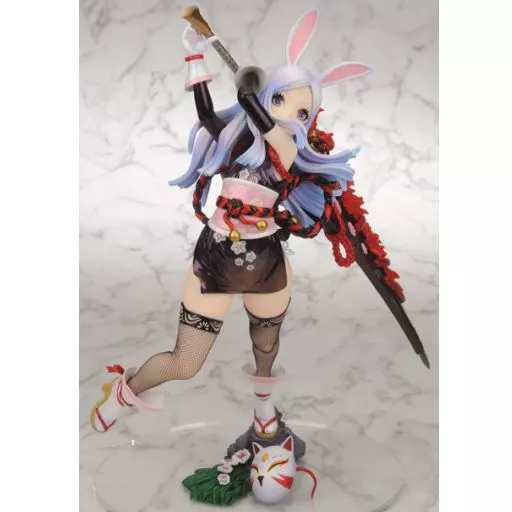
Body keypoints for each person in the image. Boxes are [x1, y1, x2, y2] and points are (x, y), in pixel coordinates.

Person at [90, 8, 427, 439]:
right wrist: (196, 57)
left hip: (266, 263)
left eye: (302, 113)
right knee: (185, 362)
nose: (289, 116)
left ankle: (264, 415)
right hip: (214, 258)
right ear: (270, 97)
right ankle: (124, 392)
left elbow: (252, 103)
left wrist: (251, 86)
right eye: (281, 100)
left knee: (265, 350)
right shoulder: (238, 144)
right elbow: (209, 116)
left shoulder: (285, 146)